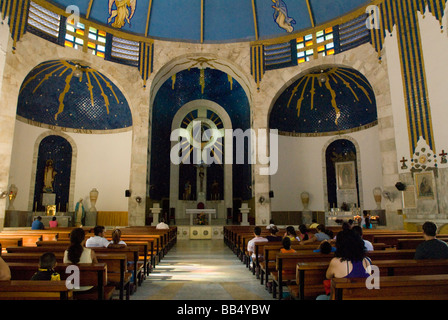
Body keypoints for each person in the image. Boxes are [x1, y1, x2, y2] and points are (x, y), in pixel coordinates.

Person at [317, 229, 372, 300]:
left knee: (319, 298)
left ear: (340, 245)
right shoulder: (367, 260)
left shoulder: (336, 262)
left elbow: (328, 276)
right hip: (363, 296)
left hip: (344, 296)